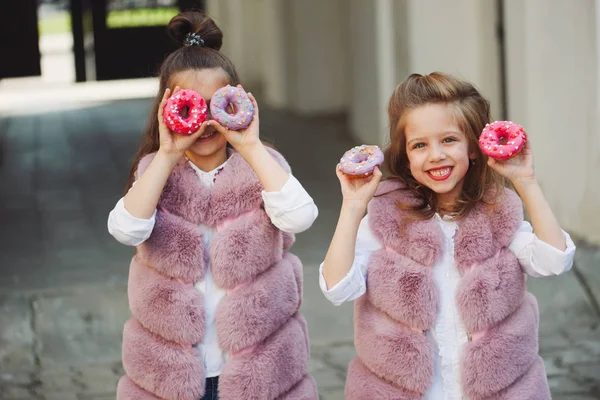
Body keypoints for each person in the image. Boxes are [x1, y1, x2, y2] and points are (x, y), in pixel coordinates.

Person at [320, 72, 576, 399]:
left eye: (449, 140)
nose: (436, 155)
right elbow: (337, 287)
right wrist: (354, 207)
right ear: (406, 156)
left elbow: (554, 260)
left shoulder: (497, 215)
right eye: (420, 145)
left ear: (472, 146)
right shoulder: (386, 221)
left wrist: (525, 182)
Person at [108, 11, 319, 400]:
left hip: (259, 369)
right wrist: (168, 153)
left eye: (215, 105)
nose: (204, 120)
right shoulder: (155, 173)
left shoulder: (262, 168)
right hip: (172, 373)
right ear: (166, 109)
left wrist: (251, 146)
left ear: (236, 103)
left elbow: (300, 217)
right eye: (190, 106)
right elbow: (127, 229)